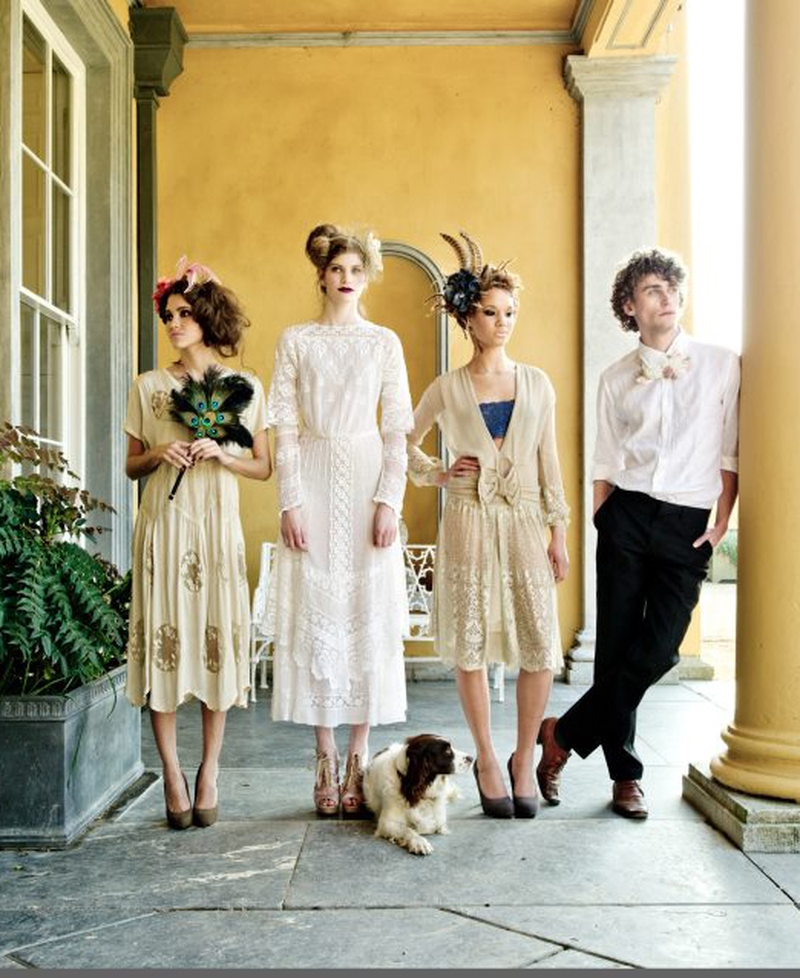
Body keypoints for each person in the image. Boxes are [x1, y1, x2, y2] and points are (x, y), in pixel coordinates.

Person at [537, 247, 740, 819]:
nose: (667, 297)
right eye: (653, 289)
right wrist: (604, 518)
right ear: (630, 306)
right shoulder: (615, 378)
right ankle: (625, 777)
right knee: (616, 648)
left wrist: (722, 518)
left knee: (660, 649)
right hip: (626, 516)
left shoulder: (722, 364)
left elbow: (729, 450)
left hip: (687, 524)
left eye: (672, 287)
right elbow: (605, 459)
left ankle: (562, 734)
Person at [407, 231, 569, 818]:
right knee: (471, 642)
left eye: (510, 312)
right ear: (467, 318)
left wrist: (558, 533)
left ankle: (525, 756)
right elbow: (401, 443)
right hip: (469, 521)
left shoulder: (538, 383)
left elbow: (549, 461)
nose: (503, 323)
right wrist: (438, 474)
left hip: (524, 520)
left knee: (538, 643)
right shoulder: (447, 388)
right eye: (491, 313)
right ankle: (487, 759)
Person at [265, 223, 413, 817]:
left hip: (368, 471)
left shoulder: (384, 342)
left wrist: (390, 500)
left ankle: (359, 755)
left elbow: (397, 429)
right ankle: (324, 754)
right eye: (337, 270)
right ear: (322, 277)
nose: (347, 279)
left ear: (366, 277)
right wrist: (290, 501)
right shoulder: (296, 340)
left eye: (356, 270)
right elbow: (283, 427)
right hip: (315, 477)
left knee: (365, 609)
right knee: (317, 609)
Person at [125, 257, 271, 829]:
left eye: (184, 313)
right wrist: (159, 453)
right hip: (164, 526)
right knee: (163, 646)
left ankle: (209, 770)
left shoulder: (245, 388)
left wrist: (224, 456)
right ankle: (171, 772)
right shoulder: (148, 386)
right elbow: (131, 466)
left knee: (215, 647)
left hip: (216, 529)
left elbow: (263, 467)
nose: (174, 324)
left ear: (208, 317)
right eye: (168, 315)